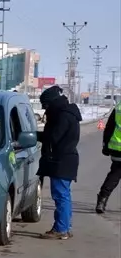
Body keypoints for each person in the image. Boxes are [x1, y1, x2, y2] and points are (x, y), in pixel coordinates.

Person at [36, 84, 81, 239]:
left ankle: (61, 229)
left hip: (61, 161)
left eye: (46, 105)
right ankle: (65, 227)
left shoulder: (63, 116)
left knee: (61, 195)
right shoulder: (69, 113)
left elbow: (54, 138)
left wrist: (38, 136)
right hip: (67, 159)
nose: (45, 109)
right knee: (64, 195)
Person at [96, 99, 121, 213]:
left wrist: (105, 146)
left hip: (117, 149)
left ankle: (102, 200)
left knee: (114, 175)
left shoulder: (119, 107)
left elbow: (110, 127)